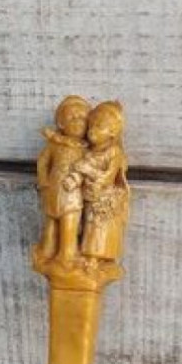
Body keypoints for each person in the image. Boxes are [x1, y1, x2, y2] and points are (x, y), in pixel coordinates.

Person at [35, 95, 91, 264]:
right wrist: (43, 183)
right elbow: (42, 162)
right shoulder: (54, 145)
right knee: (53, 222)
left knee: (69, 222)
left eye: (82, 118)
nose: (77, 122)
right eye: (72, 118)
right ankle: (51, 252)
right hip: (54, 190)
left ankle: (65, 253)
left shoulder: (86, 149)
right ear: (61, 124)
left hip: (73, 192)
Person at [74, 100, 129, 262]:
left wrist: (87, 170)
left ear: (112, 132)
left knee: (99, 229)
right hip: (89, 196)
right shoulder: (88, 151)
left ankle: (94, 260)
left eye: (99, 127)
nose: (92, 131)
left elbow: (107, 178)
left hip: (104, 200)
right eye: (91, 126)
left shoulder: (114, 152)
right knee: (88, 226)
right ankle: (85, 256)